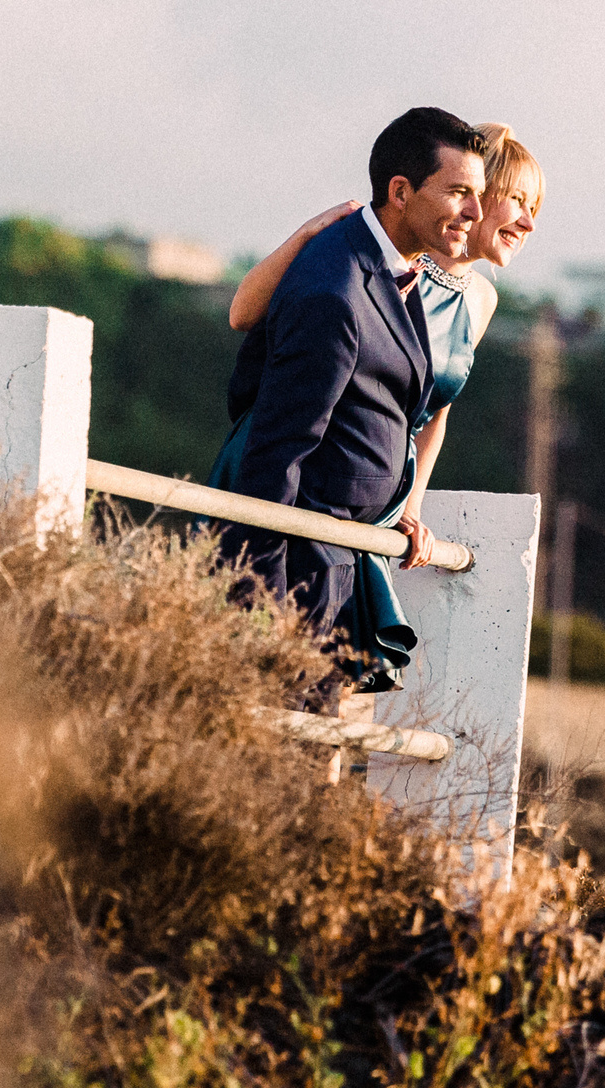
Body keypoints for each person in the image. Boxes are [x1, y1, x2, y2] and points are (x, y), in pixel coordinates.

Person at [216, 122, 546, 692]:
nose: (526, 219)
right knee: (285, 693)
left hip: (365, 518)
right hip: (307, 507)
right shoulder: (376, 267)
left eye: (533, 204)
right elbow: (248, 321)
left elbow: (431, 410)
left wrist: (408, 509)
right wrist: (303, 237)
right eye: (515, 199)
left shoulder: (474, 295)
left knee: (327, 701)